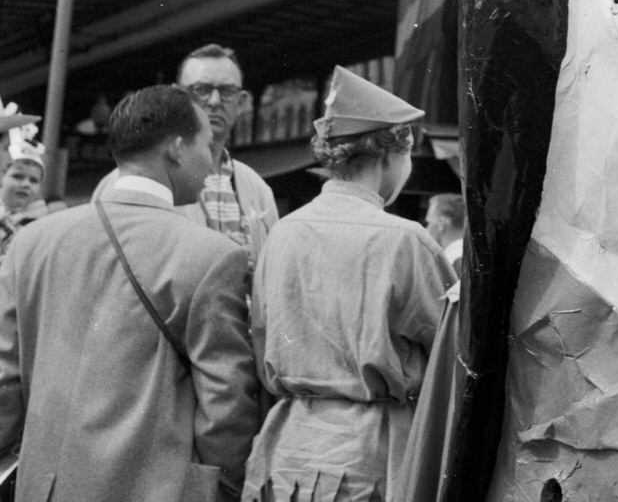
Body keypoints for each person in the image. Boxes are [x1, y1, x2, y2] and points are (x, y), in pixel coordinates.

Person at [0, 85, 261, 502]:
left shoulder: (32, 242)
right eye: (207, 146)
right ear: (176, 148)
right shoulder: (214, 257)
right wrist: (224, 488)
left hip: (41, 488)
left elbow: (5, 383)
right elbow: (225, 408)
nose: (212, 164)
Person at [243, 67, 457, 501]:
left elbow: (261, 337)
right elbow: (454, 353)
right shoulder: (406, 240)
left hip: (285, 449)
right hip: (371, 453)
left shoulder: (283, 232)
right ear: (392, 154)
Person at [99, 43, 278, 267]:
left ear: (241, 103)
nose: (214, 101)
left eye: (227, 92)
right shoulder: (133, 180)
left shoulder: (256, 187)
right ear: (179, 96)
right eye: (201, 90)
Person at [0, 136, 50, 260]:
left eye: (34, 180)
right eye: (17, 176)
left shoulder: (41, 222)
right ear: (2, 178)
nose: (26, 184)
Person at [425, 191, 465, 276]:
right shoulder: (468, 255)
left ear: (441, 223)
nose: (426, 229)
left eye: (429, 223)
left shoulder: (456, 260)